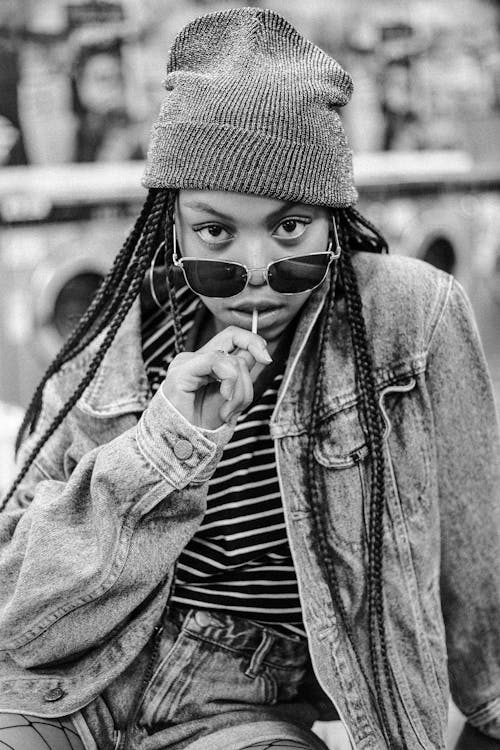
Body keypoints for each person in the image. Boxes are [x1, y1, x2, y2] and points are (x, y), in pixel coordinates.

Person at [0, 8, 499, 750]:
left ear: (335, 218)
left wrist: (487, 707)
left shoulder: (410, 314)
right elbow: (17, 593)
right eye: (215, 233)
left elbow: (476, 542)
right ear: (173, 225)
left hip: (241, 706)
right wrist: (166, 442)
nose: (257, 270)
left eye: (291, 229)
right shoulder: (116, 338)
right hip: (73, 685)